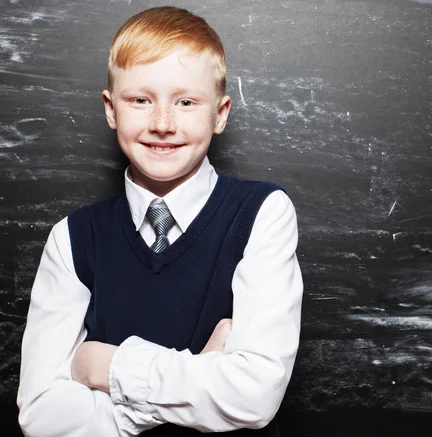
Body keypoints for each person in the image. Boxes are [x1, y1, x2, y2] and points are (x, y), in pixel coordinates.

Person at [17, 6, 303, 437]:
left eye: (186, 102)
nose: (163, 124)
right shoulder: (72, 239)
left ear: (220, 114)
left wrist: (106, 367)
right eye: (140, 100)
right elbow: (41, 415)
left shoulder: (263, 213)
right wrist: (199, 376)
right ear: (112, 110)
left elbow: (254, 397)